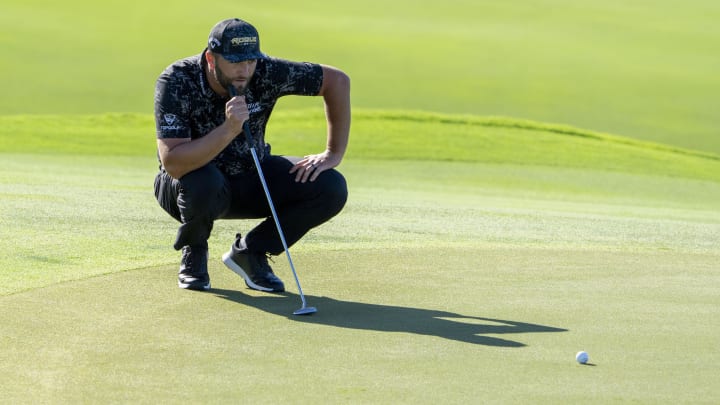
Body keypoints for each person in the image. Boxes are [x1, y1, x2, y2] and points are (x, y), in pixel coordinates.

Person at [153, 18, 350, 292]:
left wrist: (333, 153)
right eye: (235, 62)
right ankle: (194, 253)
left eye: (250, 61)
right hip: (188, 188)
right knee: (203, 180)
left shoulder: (266, 71)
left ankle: (250, 253)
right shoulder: (177, 80)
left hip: (249, 175)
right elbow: (173, 163)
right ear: (211, 57)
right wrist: (229, 129)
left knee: (331, 186)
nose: (244, 71)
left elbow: (337, 81)